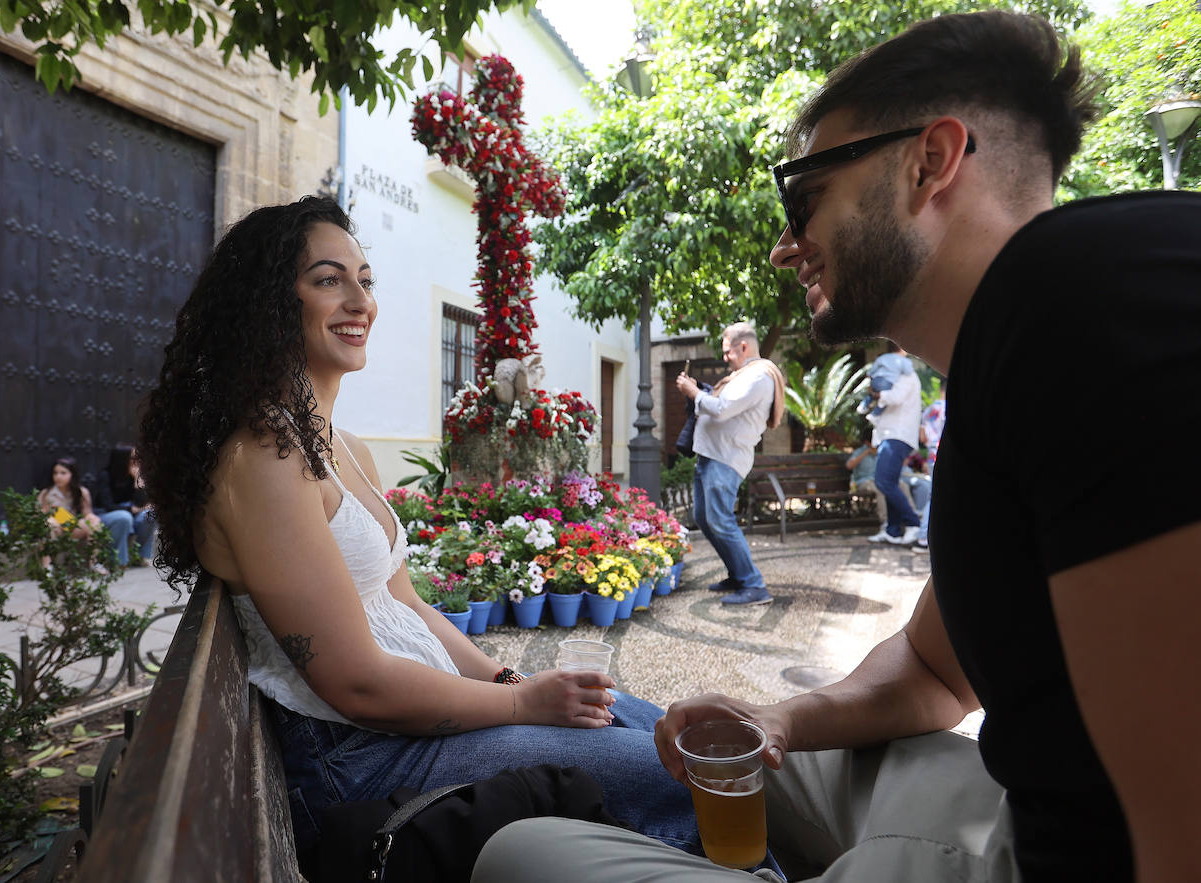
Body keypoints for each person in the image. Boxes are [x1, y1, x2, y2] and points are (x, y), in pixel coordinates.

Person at [474, 11, 1200, 883]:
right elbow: (935, 674)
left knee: (522, 855)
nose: (786, 245)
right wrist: (778, 719)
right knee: (732, 749)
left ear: (928, 162)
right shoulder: (1012, 350)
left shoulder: (1079, 297)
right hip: (1017, 804)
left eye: (804, 194)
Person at [136, 197, 701, 867]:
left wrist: (499, 675)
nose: (359, 300)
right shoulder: (262, 459)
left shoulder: (342, 445)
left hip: (410, 729)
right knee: (681, 777)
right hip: (363, 759)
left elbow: (404, 603)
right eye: (327, 279)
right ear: (268, 302)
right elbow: (358, 684)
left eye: (365, 279)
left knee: (675, 735)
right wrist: (522, 701)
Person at [675, 322, 785, 607]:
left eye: (727, 351)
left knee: (720, 521)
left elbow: (722, 410)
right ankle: (737, 575)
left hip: (726, 458)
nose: (724, 358)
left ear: (744, 346)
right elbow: (723, 402)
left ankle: (754, 585)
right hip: (712, 454)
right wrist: (702, 391)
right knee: (705, 518)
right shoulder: (745, 375)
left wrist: (692, 392)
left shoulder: (759, 376)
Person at [864, 349, 923, 544]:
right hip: (889, 436)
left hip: (897, 436)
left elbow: (895, 398)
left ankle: (914, 523)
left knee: (883, 482)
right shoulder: (897, 375)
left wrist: (877, 392)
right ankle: (893, 530)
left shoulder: (907, 375)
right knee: (890, 482)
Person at [95, 445, 156, 566]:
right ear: (122, 460)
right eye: (133, 458)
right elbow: (108, 505)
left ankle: (140, 556)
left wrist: (137, 482)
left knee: (150, 515)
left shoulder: (133, 476)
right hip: (106, 513)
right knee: (124, 517)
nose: (137, 462)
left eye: (139, 458)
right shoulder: (105, 476)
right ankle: (118, 561)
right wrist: (131, 509)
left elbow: (141, 504)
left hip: (129, 513)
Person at [36, 456, 101, 541]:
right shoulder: (46, 493)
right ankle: (49, 553)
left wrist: (91, 517)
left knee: (94, 523)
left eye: (63, 473)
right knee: (50, 523)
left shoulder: (81, 492)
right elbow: (38, 514)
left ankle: (95, 553)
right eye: (55, 473)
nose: (58, 477)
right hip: (54, 527)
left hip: (72, 527)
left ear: (72, 474)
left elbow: (87, 512)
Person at [915, 387, 947, 550]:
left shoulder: (929, 410)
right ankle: (924, 537)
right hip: (946, 455)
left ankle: (924, 536)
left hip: (931, 456)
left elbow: (922, 437)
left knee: (932, 496)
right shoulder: (950, 407)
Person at [854, 350, 913, 418]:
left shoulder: (883, 357)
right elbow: (909, 372)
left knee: (872, 393)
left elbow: (873, 370)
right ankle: (875, 414)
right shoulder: (904, 360)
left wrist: (869, 376)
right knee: (885, 399)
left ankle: (863, 405)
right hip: (887, 384)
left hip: (876, 380)